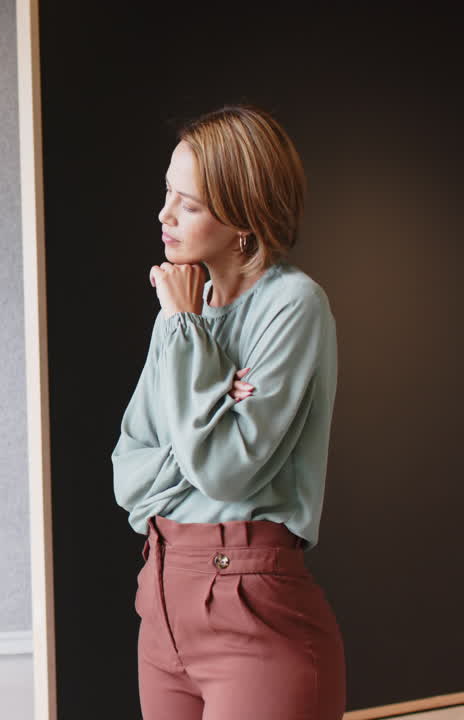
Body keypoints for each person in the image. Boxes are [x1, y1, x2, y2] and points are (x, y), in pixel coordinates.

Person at [112, 105, 345, 719]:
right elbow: (128, 475)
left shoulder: (293, 305)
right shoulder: (183, 311)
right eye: (167, 193)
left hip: (253, 609)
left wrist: (185, 333)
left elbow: (224, 472)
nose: (164, 215)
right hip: (161, 602)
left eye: (187, 204)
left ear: (244, 216)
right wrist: (212, 411)